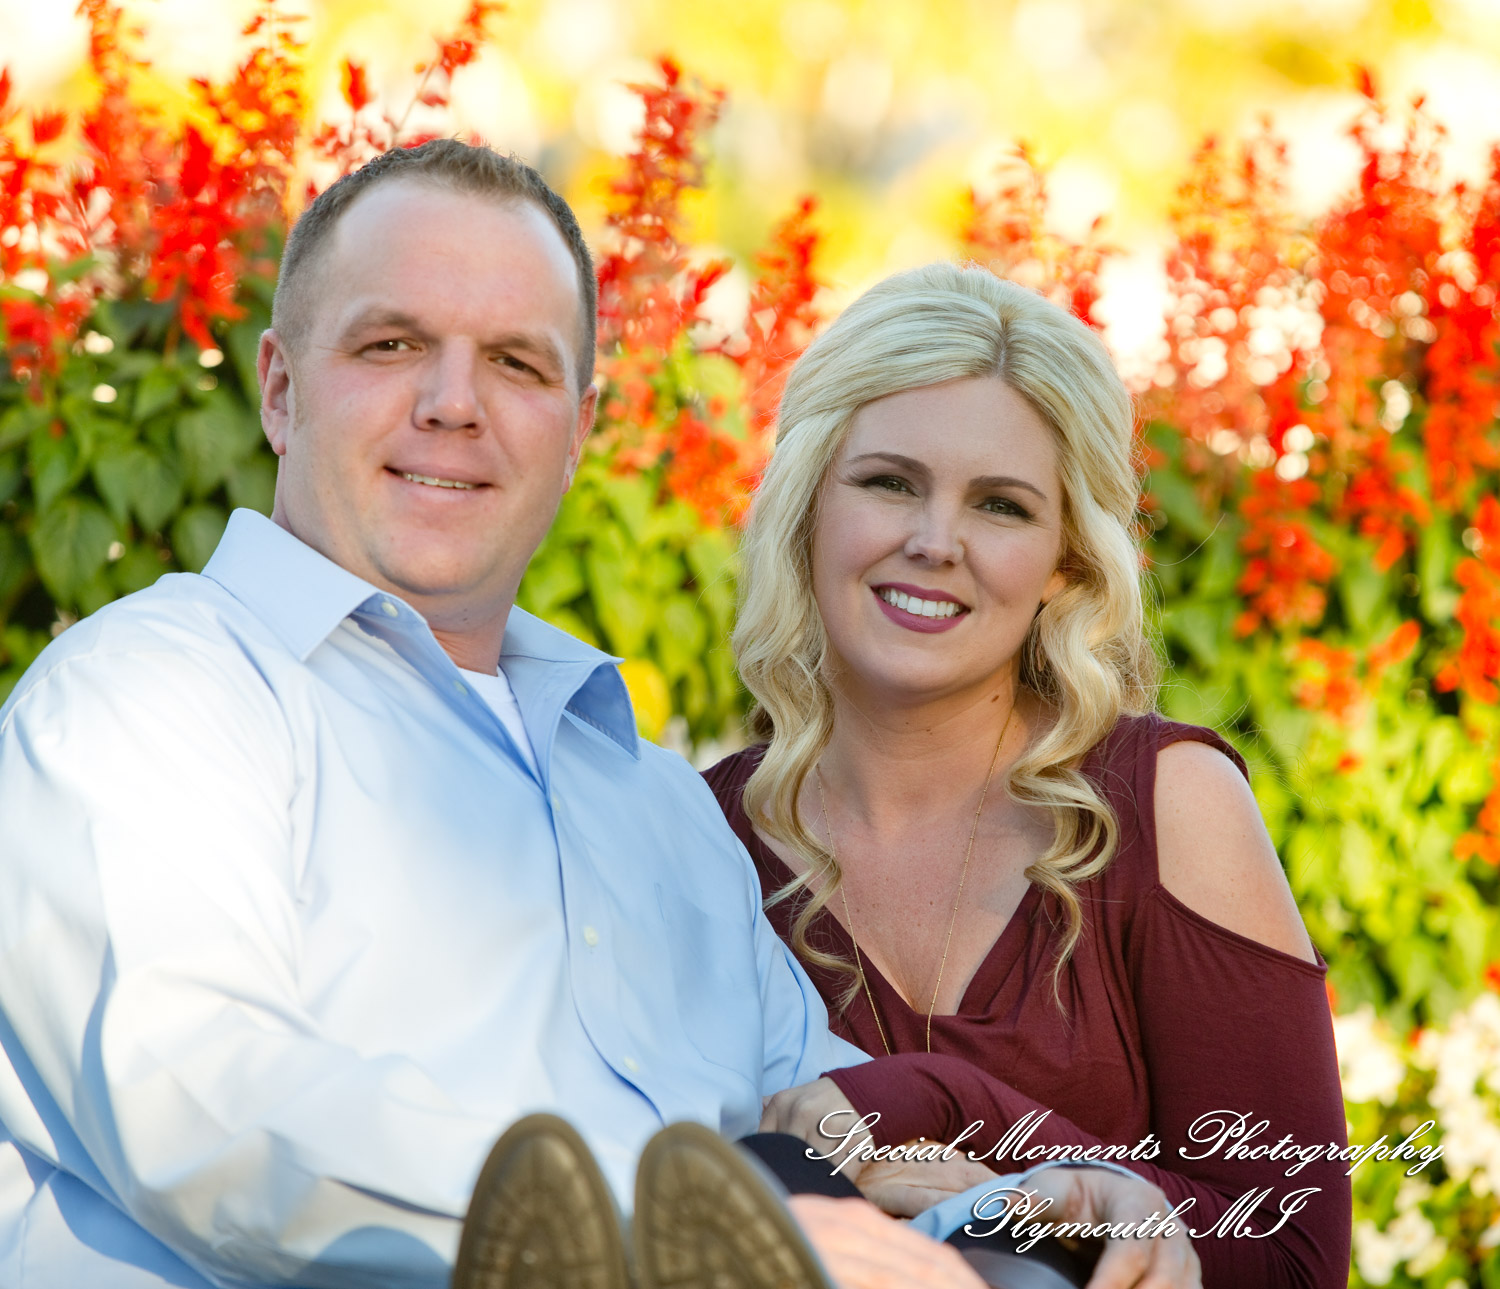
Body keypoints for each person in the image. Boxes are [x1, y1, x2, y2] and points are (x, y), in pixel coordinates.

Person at [0, 143, 1196, 1289]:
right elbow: (203, 1113)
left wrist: (1039, 1195)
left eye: (517, 364)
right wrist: (689, 1220)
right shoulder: (156, 696)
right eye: (393, 342)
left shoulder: (652, 801)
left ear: (575, 433)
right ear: (278, 387)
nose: (452, 403)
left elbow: (816, 1127)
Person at [705, 263, 1353, 1288]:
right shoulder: (704, 837)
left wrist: (953, 1106)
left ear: (1066, 561)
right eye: (888, 482)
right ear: (808, 504)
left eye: (1001, 506)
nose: (934, 542)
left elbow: (1296, 1250)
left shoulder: (1164, 802)